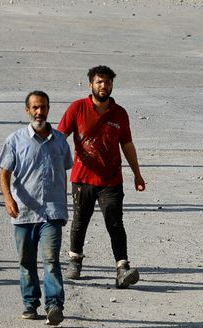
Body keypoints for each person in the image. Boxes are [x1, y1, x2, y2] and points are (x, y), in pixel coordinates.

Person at [58, 65, 146, 289]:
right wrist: (54, 166)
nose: (103, 86)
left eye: (107, 82)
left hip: (111, 180)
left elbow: (127, 144)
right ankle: (75, 260)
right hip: (82, 178)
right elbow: (60, 137)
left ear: (112, 85)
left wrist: (137, 174)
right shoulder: (77, 108)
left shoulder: (120, 113)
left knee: (115, 223)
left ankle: (122, 267)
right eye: (99, 82)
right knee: (79, 221)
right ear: (91, 85)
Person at [0, 91, 72, 326]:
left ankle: (54, 305)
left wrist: (64, 203)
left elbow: (64, 173)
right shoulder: (15, 140)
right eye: (35, 108)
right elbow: (4, 173)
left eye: (43, 107)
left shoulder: (60, 140)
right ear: (27, 110)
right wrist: (8, 198)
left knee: (51, 261)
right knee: (26, 262)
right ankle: (30, 304)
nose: (39, 112)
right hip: (23, 212)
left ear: (48, 109)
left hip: (52, 213)